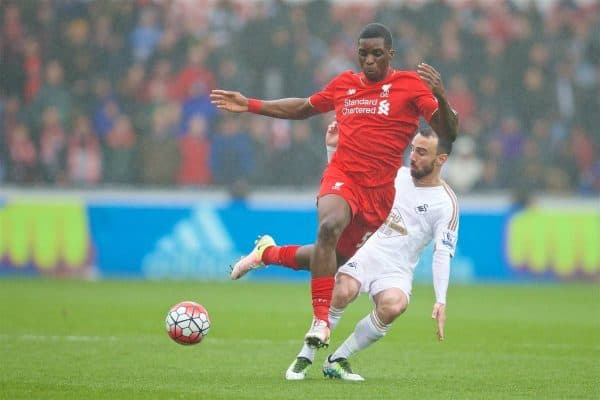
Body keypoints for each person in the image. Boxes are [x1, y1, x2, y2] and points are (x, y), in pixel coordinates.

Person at [211, 23, 458, 349]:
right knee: (328, 227)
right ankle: (320, 321)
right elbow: (303, 108)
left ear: (391, 55)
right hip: (342, 176)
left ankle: (266, 253)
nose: (368, 61)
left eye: (376, 54)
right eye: (363, 53)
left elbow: (448, 133)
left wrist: (440, 94)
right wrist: (252, 105)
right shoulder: (344, 84)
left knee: (331, 257)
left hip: (379, 194)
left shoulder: (410, 85)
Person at [286, 128, 459, 381]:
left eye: (422, 152)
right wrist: (332, 150)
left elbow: (442, 253)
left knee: (395, 305)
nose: (413, 156)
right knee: (344, 289)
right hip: (365, 250)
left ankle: (338, 360)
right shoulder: (392, 175)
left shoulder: (446, 204)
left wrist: (440, 299)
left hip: (397, 267)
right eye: (413, 149)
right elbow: (344, 183)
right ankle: (305, 357)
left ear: (440, 159)